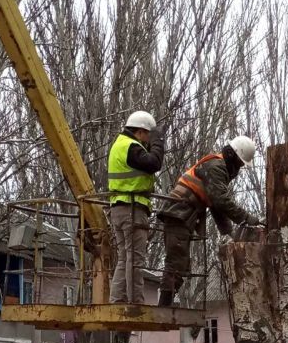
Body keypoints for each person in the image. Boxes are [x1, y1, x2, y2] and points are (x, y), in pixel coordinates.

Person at [155, 136, 261, 307]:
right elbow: (221, 201)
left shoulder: (218, 167)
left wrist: (229, 233)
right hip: (178, 213)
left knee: (180, 263)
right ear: (233, 156)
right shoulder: (216, 168)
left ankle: (165, 305)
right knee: (176, 262)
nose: (240, 167)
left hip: (182, 214)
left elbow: (215, 205)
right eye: (241, 163)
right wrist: (247, 218)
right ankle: (164, 307)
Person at [108, 111, 165, 304]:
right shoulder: (131, 147)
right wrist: (158, 142)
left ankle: (117, 300)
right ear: (141, 132)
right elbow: (154, 163)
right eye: (148, 136)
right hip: (132, 209)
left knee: (125, 258)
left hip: (118, 208)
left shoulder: (118, 145)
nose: (148, 141)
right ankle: (135, 302)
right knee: (135, 260)